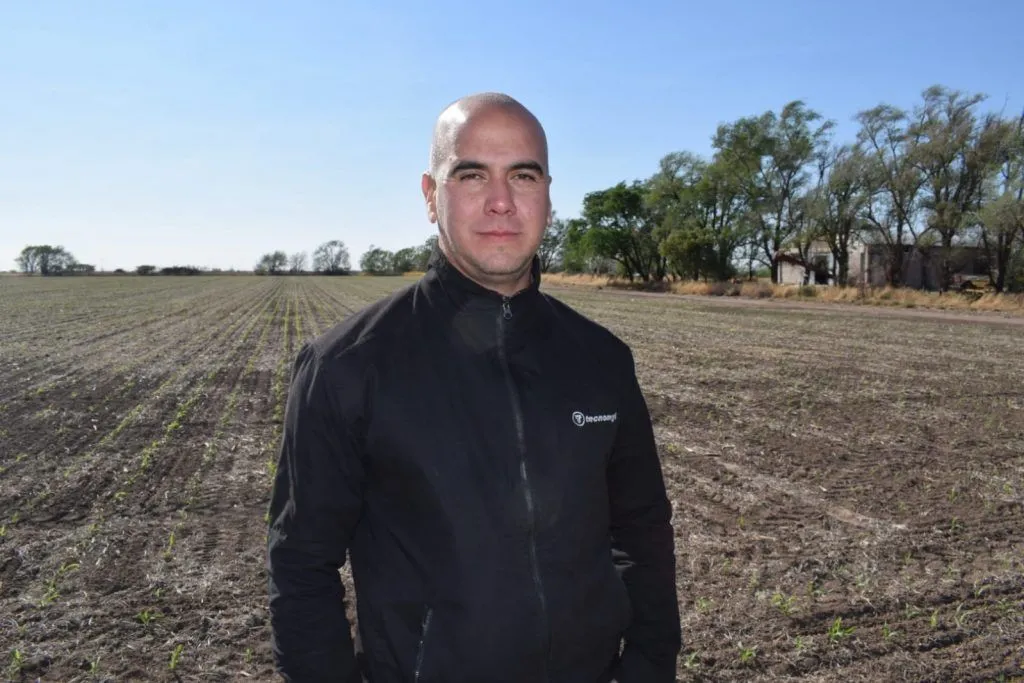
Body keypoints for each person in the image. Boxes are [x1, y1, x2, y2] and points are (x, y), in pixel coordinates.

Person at [266, 92, 681, 683]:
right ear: (430, 196)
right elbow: (301, 565)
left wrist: (647, 667)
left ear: (548, 197)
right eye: (471, 174)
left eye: (523, 175)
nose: (501, 201)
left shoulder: (602, 359)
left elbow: (642, 530)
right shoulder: (346, 367)